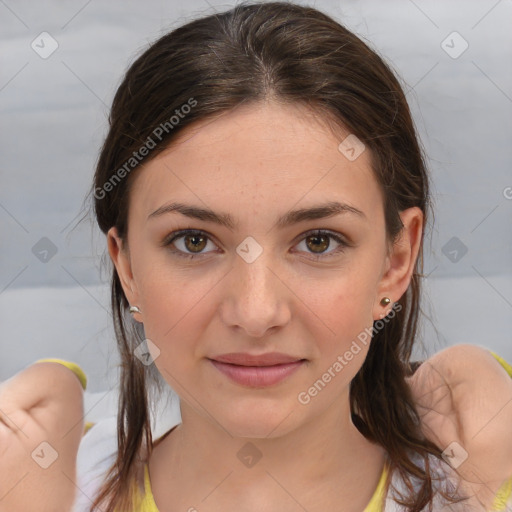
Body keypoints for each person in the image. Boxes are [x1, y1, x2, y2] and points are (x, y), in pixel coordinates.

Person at [1, 2, 511, 511]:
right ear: (128, 266)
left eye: (318, 241)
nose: (256, 313)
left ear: (396, 261)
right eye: (194, 241)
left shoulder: (484, 486)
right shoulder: (36, 485)